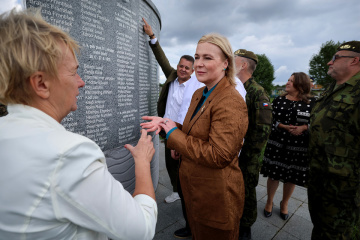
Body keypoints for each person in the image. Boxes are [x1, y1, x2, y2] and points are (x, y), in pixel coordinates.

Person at [0, 9, 157, 240]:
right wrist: (142, 162)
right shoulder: (69, 154)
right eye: (74, 72)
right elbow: (141, 231)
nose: (81, 83)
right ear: (41, 84)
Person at [141, 33, 248, 240]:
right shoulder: (201, 92)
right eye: (197, 57)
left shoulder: (230, 100)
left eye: (207, 58)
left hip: (216, 198)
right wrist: (166, 124)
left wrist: (173, 135)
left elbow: (219, 155)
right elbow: (195, 129)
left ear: (226, 63)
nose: (198, 63)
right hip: (196, 191)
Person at [143, 18, 204, 206]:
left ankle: (190, 192)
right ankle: (177, 191)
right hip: (167, 129)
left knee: (186, 165)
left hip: (184, 131)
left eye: (187, 68)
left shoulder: (196, 87)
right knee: (171, 164)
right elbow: (162, 58)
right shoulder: (172, 76)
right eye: (180, 66)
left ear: (192, 71)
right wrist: (152, 36)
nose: (182, 70)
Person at [308, 41, 360, 239]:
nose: (329, 63)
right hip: (320, 177)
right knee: (320, 228)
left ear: (354, 61)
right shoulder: (333, 88)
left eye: (335, 58)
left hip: (344, 188)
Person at [260, 72, 315, 221]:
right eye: (288, 80)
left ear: (300, 85)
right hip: (277, 143)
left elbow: (316, 123)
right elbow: (271, 120)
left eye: (292, 81)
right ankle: (269, 201)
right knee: (274, 174)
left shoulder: (311, 103)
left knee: (291, 177)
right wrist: (283, 126)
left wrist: (304, 128)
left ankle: (284, 203)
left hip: (298, 147)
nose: (288, 83)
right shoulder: (278, 100)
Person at [234, 49, 272, 240]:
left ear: (243, 65)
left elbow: (262, 130)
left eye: (234, 60)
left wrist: (246, 154)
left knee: (247, 190)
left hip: (248, 155)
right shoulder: (234, 86)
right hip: (235, 153)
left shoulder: (257, 92)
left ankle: (246, 227)